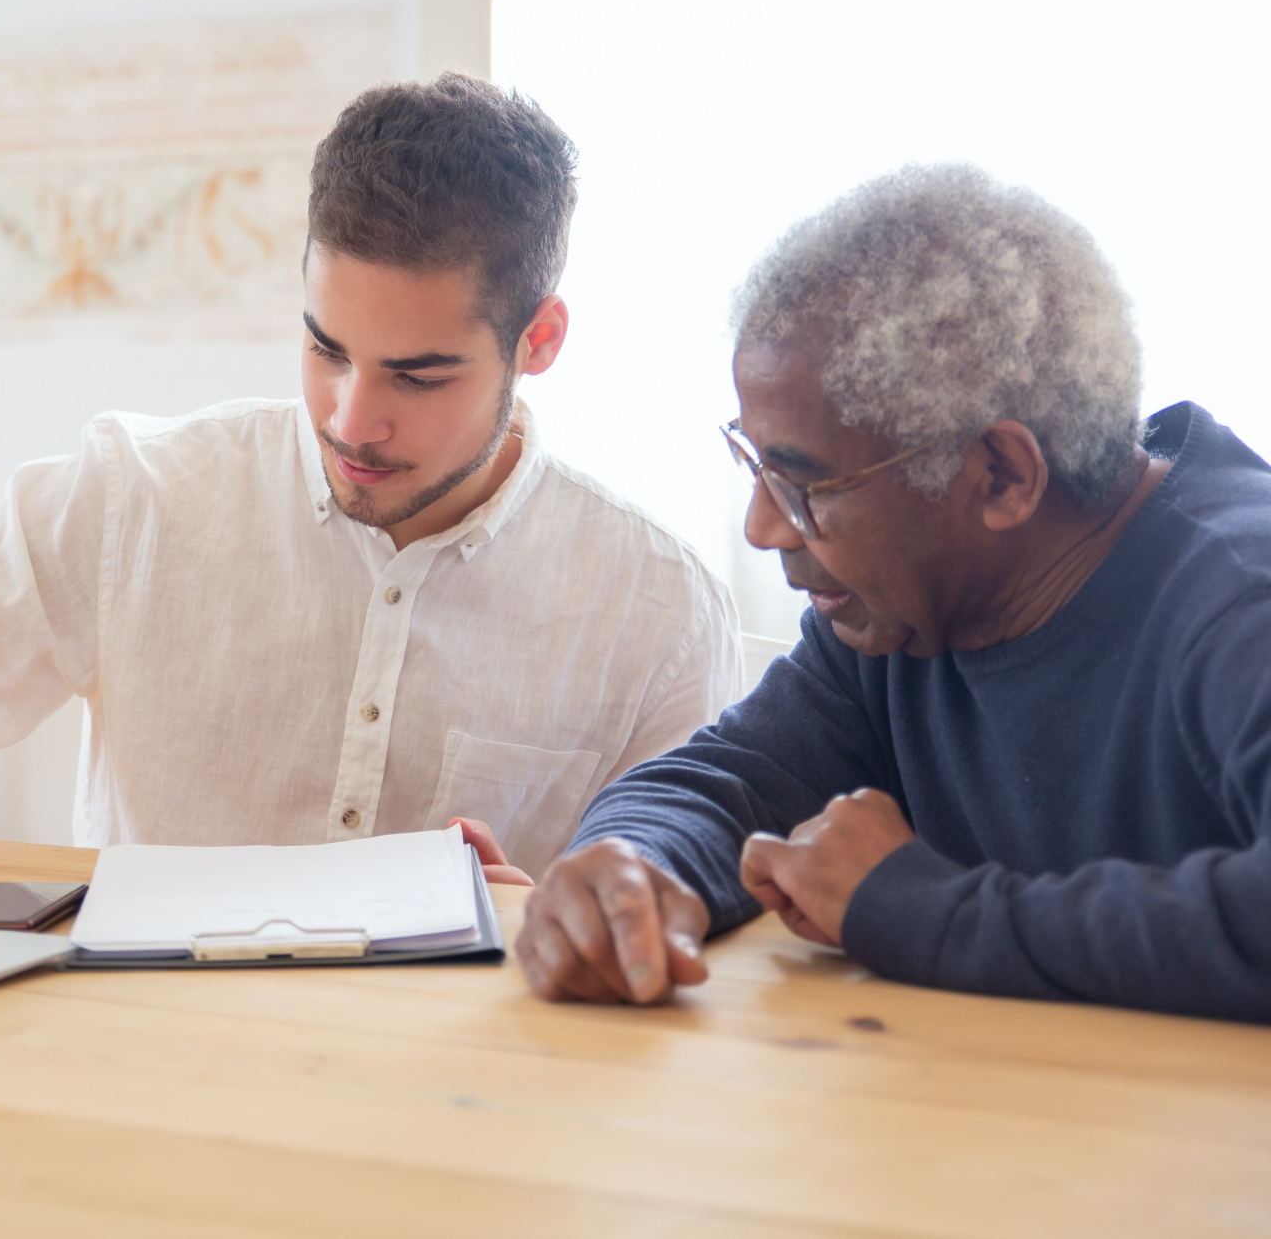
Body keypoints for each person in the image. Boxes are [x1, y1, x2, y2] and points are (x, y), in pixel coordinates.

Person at [0, 74, 742, 888]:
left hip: (461, 1110)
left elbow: (680, 903)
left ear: (541, 339)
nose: (351, 418)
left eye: (417, 376)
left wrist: (559, 923)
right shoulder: (139, 498)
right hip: (144, 1090)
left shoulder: (655, 608)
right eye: (324, 346)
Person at [518, 163, 1271, 1023]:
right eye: (754, 464)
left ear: (1001, 476)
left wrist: (911, 908)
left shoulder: (1241, 603)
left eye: (807, 485)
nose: (765, 528)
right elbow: (724, 783)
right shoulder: (893, 621)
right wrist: (632, 871)